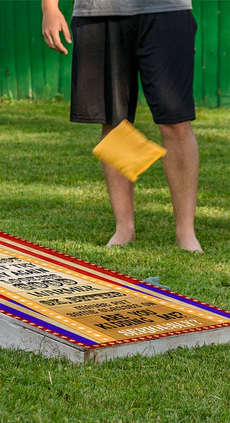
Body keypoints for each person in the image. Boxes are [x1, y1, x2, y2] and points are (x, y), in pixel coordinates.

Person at [41, 0, 203, 252]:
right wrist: (49, 8)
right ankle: (124, 228)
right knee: (113, 122)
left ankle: (186, 233)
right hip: (98, 12)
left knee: (176, 123)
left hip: (166, 9)